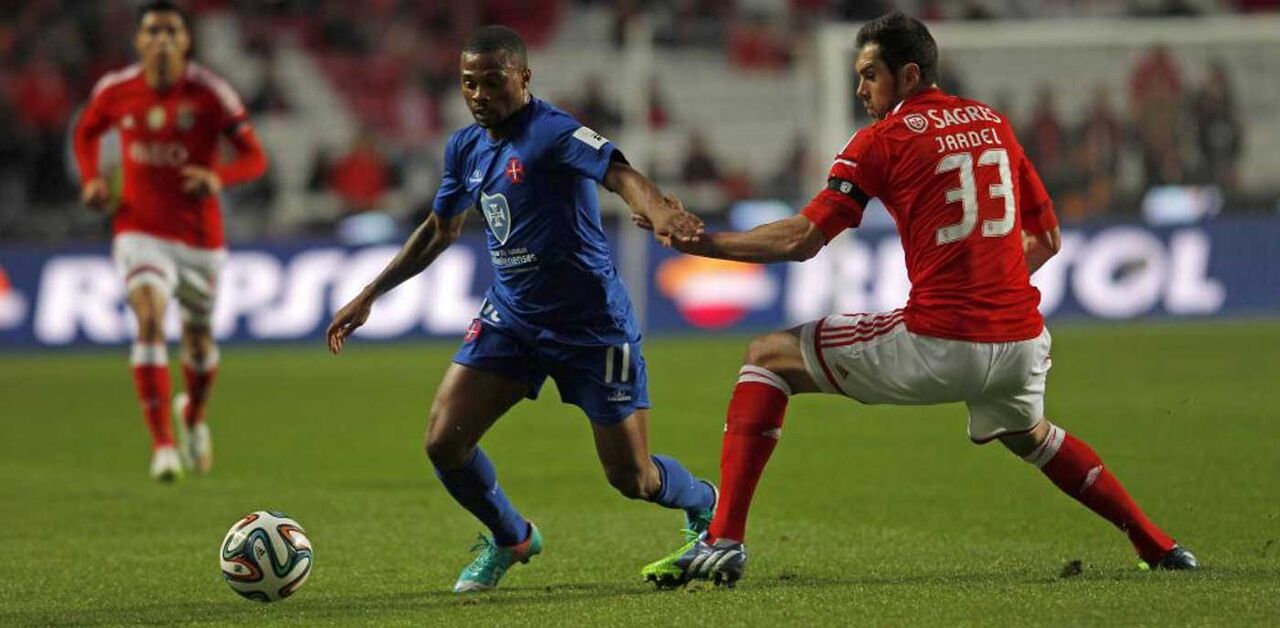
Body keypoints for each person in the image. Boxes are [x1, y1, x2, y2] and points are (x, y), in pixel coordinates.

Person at [639, 12, 1196, 588]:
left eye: (869, 75)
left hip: (941, 341)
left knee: (767, 357)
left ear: (908, 75)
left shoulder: (883, 140)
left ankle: (724, 538)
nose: (860, 90)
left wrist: (703, 243)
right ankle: (1158, 546)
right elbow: (1048, 239)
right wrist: (988, 288)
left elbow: (803, 240)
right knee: (1030, 434)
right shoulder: (993, 123)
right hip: (1021, 343)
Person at [325, 25, 716, 593]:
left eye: (493, 81)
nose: (479, 94)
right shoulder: (464, 147)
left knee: (632, 478)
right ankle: (511, 537)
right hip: (513, 320)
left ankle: (705, 502)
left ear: (524, 77)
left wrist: (660, 213)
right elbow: (440, 229)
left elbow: (620, 174)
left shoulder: (553, 132)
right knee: (443, 441)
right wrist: (370, 293)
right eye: (469, 83)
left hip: (591, 327)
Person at [72, 0, 268, 482]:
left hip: (199, 238)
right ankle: (162, 445)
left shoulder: (211, 93)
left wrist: (218, 177)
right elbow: (85, 133)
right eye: (153, 31)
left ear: (186, 41)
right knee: (149, 318)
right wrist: (92, 178)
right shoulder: (115, 90)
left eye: (171, 32)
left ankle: (193, 417)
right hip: (138, 230)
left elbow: (254, 158)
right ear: (139, 41)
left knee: (198, 341)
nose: (162, 40)